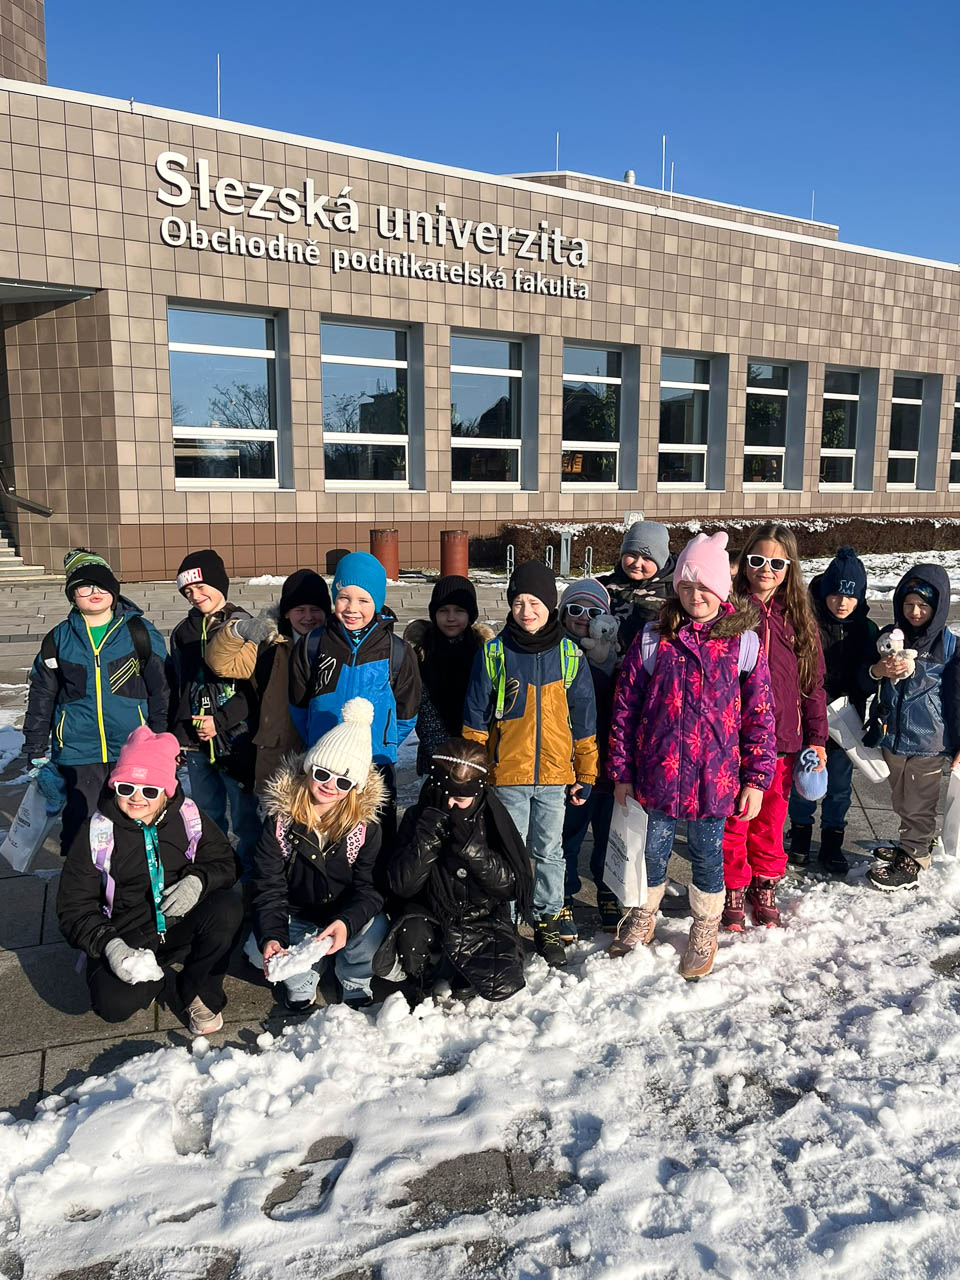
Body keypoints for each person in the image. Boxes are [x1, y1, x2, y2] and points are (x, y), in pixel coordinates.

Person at [607, 533, 777, 977]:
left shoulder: (743, 644)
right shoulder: (653, 639)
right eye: (686, 586)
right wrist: (622, 771)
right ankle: (643, 914)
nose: (694, 596)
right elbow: (625, 708)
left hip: (714, 779)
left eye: (704, 587)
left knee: (706, 853)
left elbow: (760, 716)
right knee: (652, 851)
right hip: (657, 774)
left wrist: (756, 779)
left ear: (721, 591)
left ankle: (705, 924)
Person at [56, 726, 242, 1035]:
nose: (136, 798)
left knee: (228, 907)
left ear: (166, 791)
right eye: (126, 787)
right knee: (112, 1005)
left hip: (179, 921)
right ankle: (156, 979)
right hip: (126, 930)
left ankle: (198, 989)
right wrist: (109, 944)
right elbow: (73, 907)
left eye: (150, 791)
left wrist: (197, 881)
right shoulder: (97, 830)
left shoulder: (188, 815)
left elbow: (227, 862)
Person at [462, 559, 598, 967]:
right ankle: (503, 918)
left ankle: (547, 916)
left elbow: (584, 719)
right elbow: (475, 717)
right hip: (508, 774)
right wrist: (472, 772)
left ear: (550, 605)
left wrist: (586, 771)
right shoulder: (494, 653)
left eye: (535, 603)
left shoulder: (570, 655)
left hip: (555, 776)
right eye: (519, 602)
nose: (527, 611)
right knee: (509, 850)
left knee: (550, 850)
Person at [23, 547, 168, 857]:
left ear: (113, 590)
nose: (94, 592)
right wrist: (35, 750)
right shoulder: (58, 640)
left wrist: (162, 738)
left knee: (133, 822)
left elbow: (162, 689)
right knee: (82, 826)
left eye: (101, 584)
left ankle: (132, 879)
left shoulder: (139, 633)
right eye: (84, 587)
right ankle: (83, 883)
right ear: (72, 595)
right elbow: (42, 697)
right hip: (78, 752)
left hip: (133, 748)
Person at [251, 697, 389, 1010]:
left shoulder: (365, 827)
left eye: (343, 781)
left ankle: (353, 977)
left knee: (375, 929)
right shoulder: (280, 820)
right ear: (309, 768)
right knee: (258, 948)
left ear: (354, 787)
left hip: (343, 911)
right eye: (323, 774)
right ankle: (305, 976)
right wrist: (272, 936)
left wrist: (346, 922)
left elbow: (370, 889)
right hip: (297, 912)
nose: (330, 786)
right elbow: (268, 886)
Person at [722, 524, 827, 929]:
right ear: (744, 563)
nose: (766, 569)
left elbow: (812, 685)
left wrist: (817, 739)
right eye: (757, 560)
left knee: (770, 820)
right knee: (735, 818)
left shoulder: (798, 619)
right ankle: (734, 884)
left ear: (789, 568)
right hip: (735, 740)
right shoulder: (729, 611)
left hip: (784, 741)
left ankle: (764, 882)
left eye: (777, 563)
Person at [377, 738, 532, 1002]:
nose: (450, 804)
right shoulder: (419, 816)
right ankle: (423, 977)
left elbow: (510, 887)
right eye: (443, 795)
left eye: (460, 798)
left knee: (501, 981)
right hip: (431, 915)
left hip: (482, 918)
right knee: (411, 933)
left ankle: (461, 970)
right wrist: (428, 836)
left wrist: (474, 851)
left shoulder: (492, 821)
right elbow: (402, 885)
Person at [288, 551, 420, 843]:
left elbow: (407, 713)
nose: (352, 608)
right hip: (325, 767)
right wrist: (319, 740)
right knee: (322, 839)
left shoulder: (397, 651)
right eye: (344, 598)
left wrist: (380, 743)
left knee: (375, 841)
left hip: (375, 765)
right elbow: (299, 706)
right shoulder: (312, 645)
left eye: (363, 600)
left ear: (377, 602)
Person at [167, 549, 261, 879]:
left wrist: (220, 721)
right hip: (195, 742)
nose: (195, 595)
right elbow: (179, 687)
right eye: (187, 591)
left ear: (219, 583)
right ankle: (217, 872)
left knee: (245, 815)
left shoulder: (243, 625)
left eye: (201, 586)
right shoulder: (183, 632)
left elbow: (254, 690)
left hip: (236, 739)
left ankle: (251, 873)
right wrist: (177, 736)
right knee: (206, 813)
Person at [866, 565, 960, 891]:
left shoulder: (948, 647)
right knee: (901, 800)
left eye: (923, 605)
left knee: (920, 802)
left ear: (938, 606)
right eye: (908, 604)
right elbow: (866, 677)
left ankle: (914, 856)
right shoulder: (890, 637)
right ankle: (913, 842)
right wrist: (878, 670)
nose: (915, 612)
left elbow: (957, 696)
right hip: (893, 735)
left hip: (929, 740)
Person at [787, 547, 877, 875]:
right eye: (836, 594)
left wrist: (871, 676)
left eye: (850, 596)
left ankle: (832, 839)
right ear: (824, 592)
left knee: (839, 784)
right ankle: (799, 833)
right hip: (809, 719)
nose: (842, 602)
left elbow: (868, 680)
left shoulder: (866, 630)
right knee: (804, 779)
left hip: (846, 721)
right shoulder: (807, 624)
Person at [203, 569, 331, 795]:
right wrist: (236, 632)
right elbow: (222, 663)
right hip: (278, 753)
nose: (308, 617)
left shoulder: (336, 642)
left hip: (326, 753)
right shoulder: (271, 645)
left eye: (315, 610)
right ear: (286, 613)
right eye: (300, 610)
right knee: (278, 813)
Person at [557, 578, 621, 937]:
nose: (584, 617)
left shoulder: (618, 656)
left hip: (610, 761)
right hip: (571, 763)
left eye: (593, 611)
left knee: (610, 833)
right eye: (575, 609)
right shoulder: (555, 652)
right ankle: (564, 893)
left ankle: (608, 889)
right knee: (569, 834)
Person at [402, 575, 493, 775]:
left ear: (470, 614)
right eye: (443, 611)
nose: (451, 618)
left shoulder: (483, 652)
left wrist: (473, 749)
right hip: (434, 755)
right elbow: (422, 707)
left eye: (459, 611)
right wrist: (442, 751)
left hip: (475, 753)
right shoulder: (421, 652)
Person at [599, 520, 675, 654]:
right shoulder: (604, 587)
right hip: (609, 661)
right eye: (632, 555)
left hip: (654, 662)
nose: (637, 564)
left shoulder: (675, 591)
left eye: (647, 558)